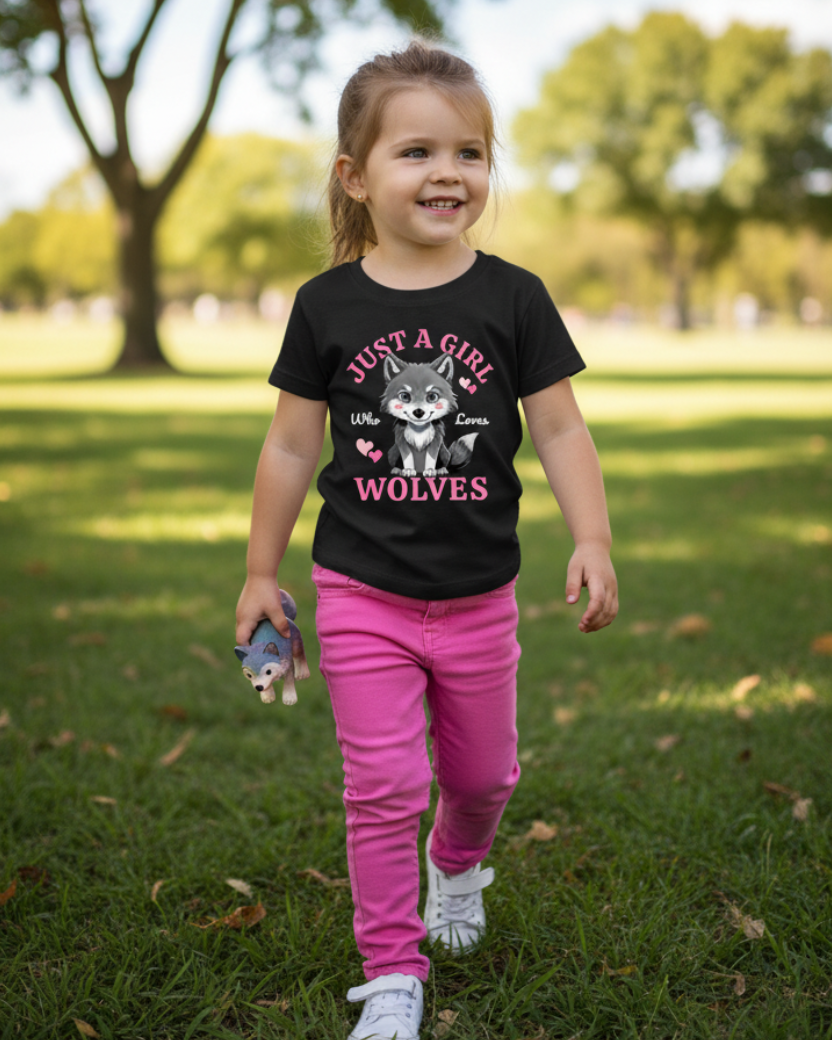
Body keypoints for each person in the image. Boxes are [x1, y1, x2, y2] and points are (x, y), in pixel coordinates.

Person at [235, 37, 618, 1040]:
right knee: (385, 785)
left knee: (485, 777)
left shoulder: (513, 296)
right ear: (355, 177)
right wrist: (260, 572)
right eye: (416, 152)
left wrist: (592, 536)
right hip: (361, 592)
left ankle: (457, 864)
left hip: (480, 594)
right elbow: (288, 446)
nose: (448, 172)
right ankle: (392, 972)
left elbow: (560, 428)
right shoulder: (326, 306)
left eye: (469, 152)